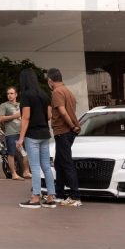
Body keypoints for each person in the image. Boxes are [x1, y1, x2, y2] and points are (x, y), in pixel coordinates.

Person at [15, 68, 57, 209]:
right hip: (45, 134)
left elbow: (25, 117)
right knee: (46, 166)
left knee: (34, 167)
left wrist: (20, 138)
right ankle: (51, 198)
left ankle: (35, 198)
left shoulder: (26, 95)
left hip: (32, 135)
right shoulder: (44, 94)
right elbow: (50, 116)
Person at [48, 68, 82, 207]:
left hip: (63, 131)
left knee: (66, 163)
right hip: (68, 132)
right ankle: (59, 193)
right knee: (59, 163)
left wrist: (72, 125)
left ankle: (75, 196)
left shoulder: (57, 92)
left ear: (50, 80)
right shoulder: (68, 91)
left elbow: (62, 112)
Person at [0, 86, 32, 181]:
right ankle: (14, 174)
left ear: (16, 94)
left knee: (26, 153)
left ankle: (26, 171)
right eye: (8, 93)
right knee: (11, 153)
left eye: (12, 93)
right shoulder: (4, 105)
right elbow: (0, 118)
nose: (9, 95)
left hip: (22, 133)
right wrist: (14, 116)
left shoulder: (21, 105)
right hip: (11, 133)